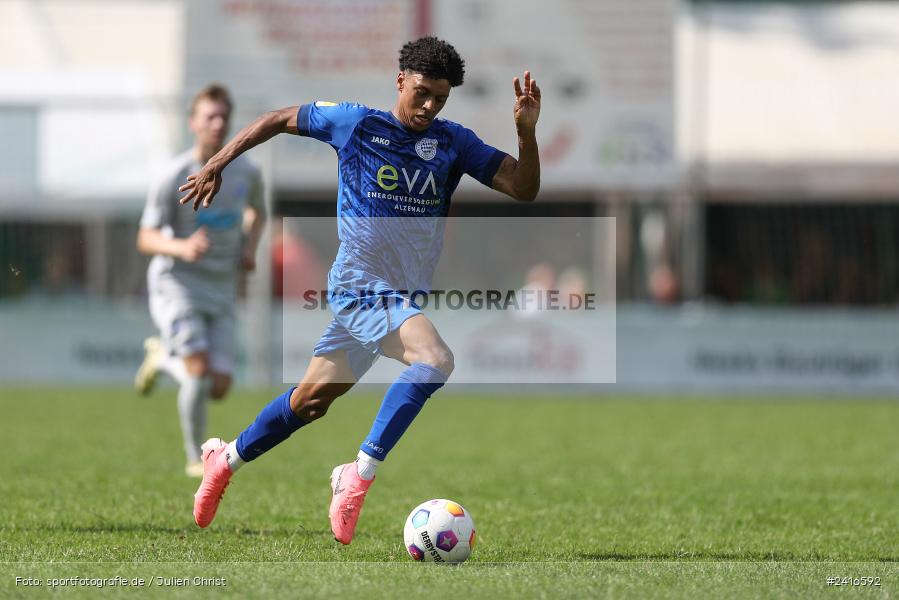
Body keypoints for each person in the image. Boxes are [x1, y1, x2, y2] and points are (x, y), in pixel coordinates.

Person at [179, 37, 540, 544]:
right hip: (359, 287)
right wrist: (219, 161)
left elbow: (523, 188)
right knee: (434, 359)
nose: (429, 106)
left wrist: (526, 133)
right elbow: (277, 118)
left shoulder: (454, 142)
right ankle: (358, 474)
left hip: (396, 299)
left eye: (440, 97)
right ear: (400, 82)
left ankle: (226, 457)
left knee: (309, 403)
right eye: (421, 93)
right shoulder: (355, 123)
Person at [134, 84, 266, 477]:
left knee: (220, 384)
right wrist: (182, 248)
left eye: (224, 115)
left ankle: (162, 358)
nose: (218, 123)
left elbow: (257, 211)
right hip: (178, 286)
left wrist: (249, 248)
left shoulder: (247, 172)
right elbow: (145, 237)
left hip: (221, 286)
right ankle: (196, 459)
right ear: (193, 123)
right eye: (209, 116)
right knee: (197, 368)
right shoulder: (172, 175)